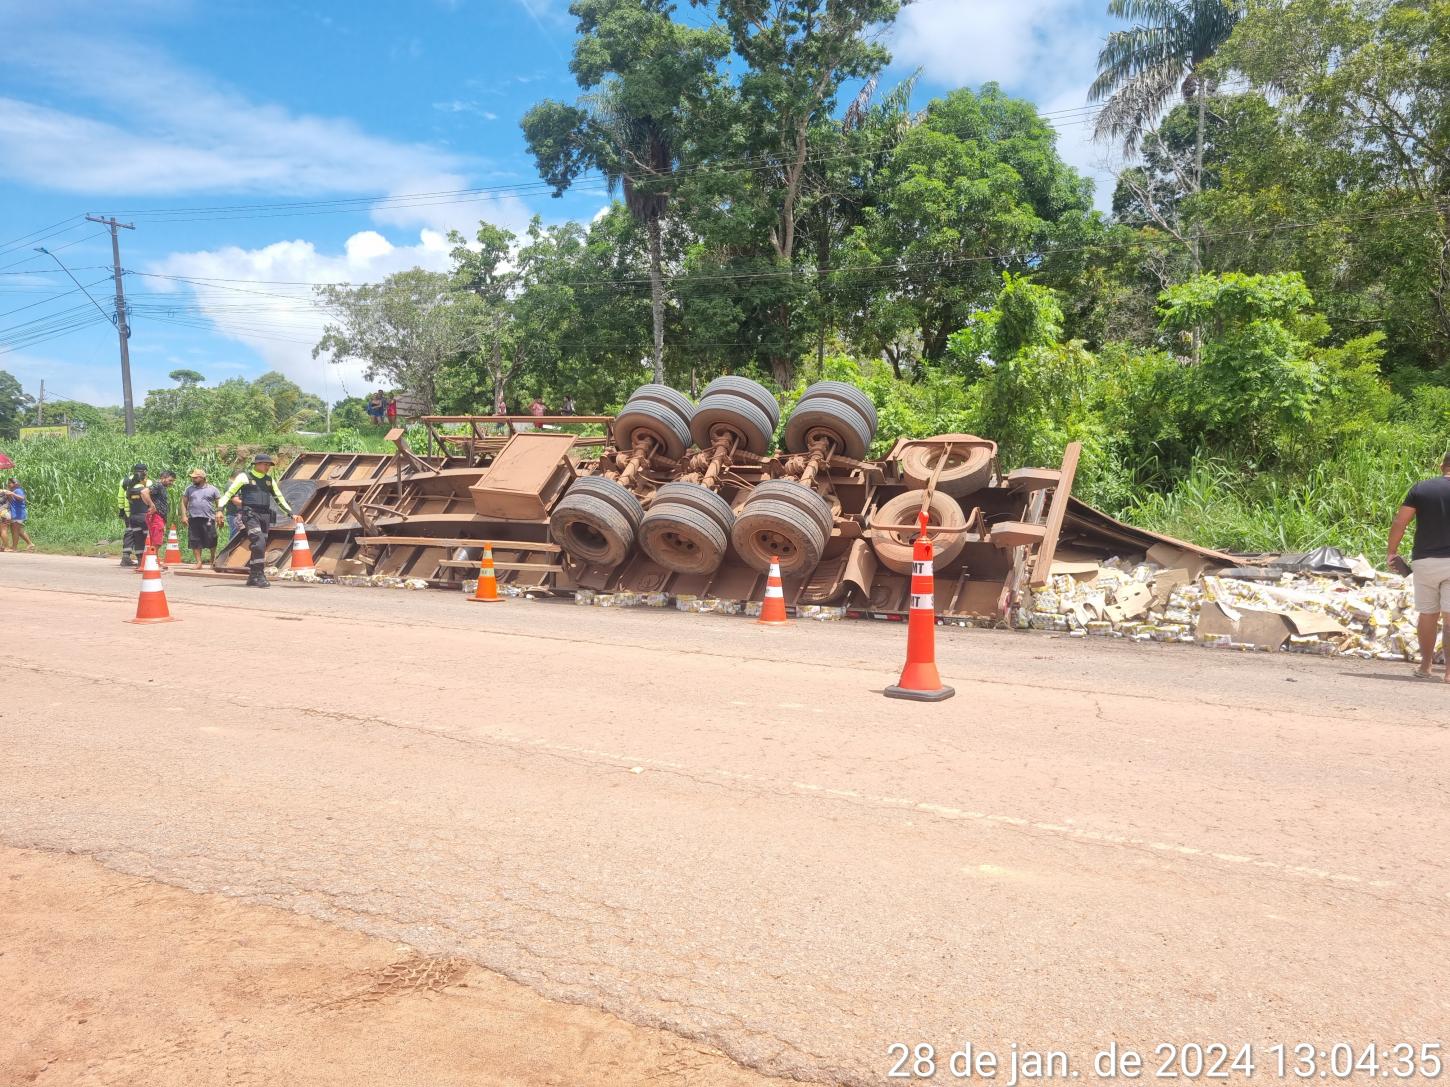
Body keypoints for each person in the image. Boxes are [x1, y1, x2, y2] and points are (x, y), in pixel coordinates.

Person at [1388, 451, 1450, 682]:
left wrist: (1392, 552)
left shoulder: (1421, 489)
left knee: (1428, 614)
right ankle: (1449, 672)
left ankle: (1425, 666)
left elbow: (1400, 522)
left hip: (1425, 562)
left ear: (1442, 464)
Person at [218, 452, 292, 587]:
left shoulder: (269, 480)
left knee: (259, 546)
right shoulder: (245, 477)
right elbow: (229, 494)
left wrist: (291, 514)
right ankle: (259, 575)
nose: (268, 467)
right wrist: (219, 510)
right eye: (265, 464)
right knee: (259, 542)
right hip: (250, 514)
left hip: (265, 516)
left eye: (269, 464)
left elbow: (279, 498)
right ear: (257, 464)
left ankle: (252, 576)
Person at [183, 468, 223, 569]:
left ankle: (213, 560)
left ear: (202, 478)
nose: (193, 479)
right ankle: (199, 562)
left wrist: (220, 513)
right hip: (193, 518)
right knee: (195, 540)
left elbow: (219, 503)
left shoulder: (213, 489)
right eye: (192, 478)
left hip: (208, 518)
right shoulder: (189, 489)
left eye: (195, 478)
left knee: (212, 539)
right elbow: (183, 503)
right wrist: (184, 515)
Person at [117, 462, 149, 566]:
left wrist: (121, 510)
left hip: (128, 511)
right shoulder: (146, 482)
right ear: (144, 471)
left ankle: (126, 556)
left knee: (129, 532)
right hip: (141, 511)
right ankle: (142, 559)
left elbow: (121, 497)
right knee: (142, 534)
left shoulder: (124, 481)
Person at [141, 470, 176, 554]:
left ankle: (153, 559)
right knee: (157, 540)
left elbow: (144, 494)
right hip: (156, 516)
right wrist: (151, 505)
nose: (171, 483)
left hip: (158, 516)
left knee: (156, 540)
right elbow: (144, 492)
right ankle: (154, 560)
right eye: (170, 480)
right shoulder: (158, 485)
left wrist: (149, 504)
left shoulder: (161, 487)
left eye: (173, 481)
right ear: (163, 478)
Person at [1, 478, 32, 551]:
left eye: (10, 483)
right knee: (18, 530)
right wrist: (9, 492)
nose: (8, 484)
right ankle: (30, 544)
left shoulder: (18, 490)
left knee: (15, 531)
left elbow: (22, 498)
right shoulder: (13, 490)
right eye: (8, 483)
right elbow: (10, 501)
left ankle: (14, 547)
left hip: (18, 513)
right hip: (16, 513)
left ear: (15, 483)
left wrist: (12, 494)